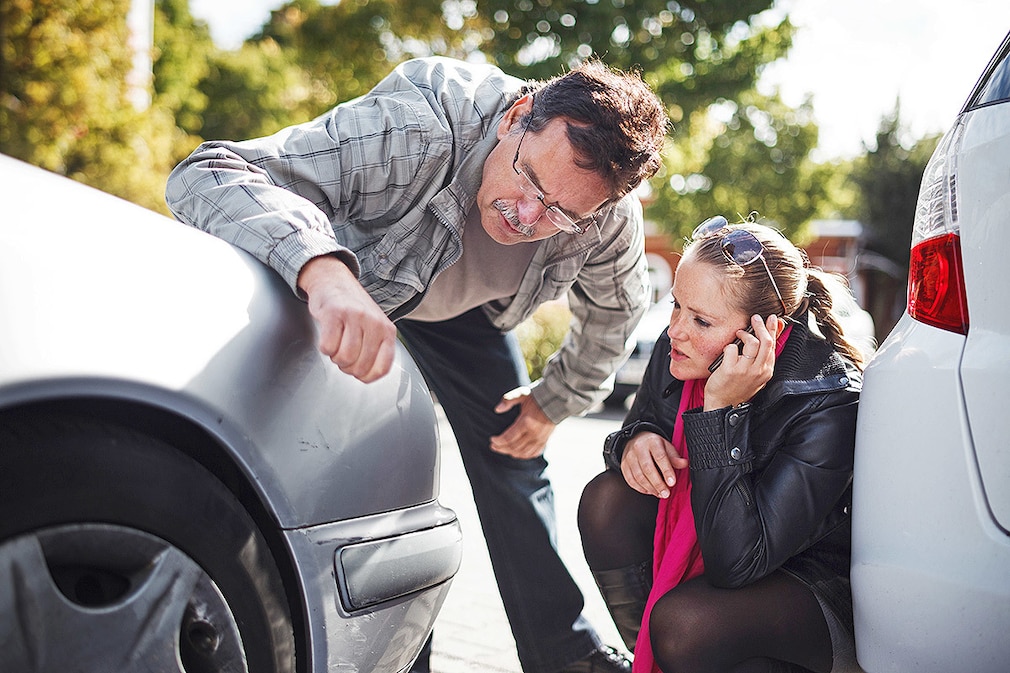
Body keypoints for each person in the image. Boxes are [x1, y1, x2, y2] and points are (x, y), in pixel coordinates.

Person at [166, 56, 669, 673]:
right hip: (352, 279)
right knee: (370, 470)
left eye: (560, 212)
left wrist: (553, 401)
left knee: (515, 457)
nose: (527, 217)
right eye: (530, 180)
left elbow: (616, 313)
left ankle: (568, 654)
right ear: (516, 117)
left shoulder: (606, 219)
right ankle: (393, 657)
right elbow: (209, 173)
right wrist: (324, 272)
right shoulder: (419, 127)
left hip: (464, 315)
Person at [577, 215, 866, 673]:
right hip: (727, 553)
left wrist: (720, 414)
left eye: (701, 320)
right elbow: (637, 426)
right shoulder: (683, 352)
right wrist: (636, 441)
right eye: (675, 305)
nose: (675, 330)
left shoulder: (826, 400)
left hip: (808, 583)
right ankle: (655, 662)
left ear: (762, 331)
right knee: (607, 499)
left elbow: (739, 561)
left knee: (685, 625)